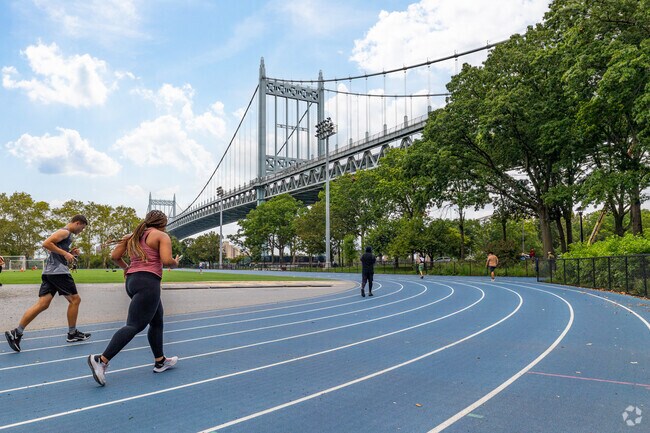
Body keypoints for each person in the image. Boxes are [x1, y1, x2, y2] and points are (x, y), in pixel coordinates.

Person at [88, 210, 180, 386]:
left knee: (157, 320)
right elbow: (167, 261)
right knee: (134, 325)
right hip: (148, 283)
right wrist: (176, 262)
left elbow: (115, 257)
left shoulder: (132, 236)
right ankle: (102, 360)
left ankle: (160, 361)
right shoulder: (161, 236)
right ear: (163, 222)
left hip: (132, 281)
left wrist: (126, 267)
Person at [4, 215, 90, 352]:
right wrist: (65, 254)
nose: (82, 230)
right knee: (75, 300)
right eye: (82, 227)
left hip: (50, 272)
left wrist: (69, 252)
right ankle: (72, 333)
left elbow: (53, 249)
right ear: (77, 223)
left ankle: (17, 332)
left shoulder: (66, 234)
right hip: (58, 273)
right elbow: (46, 243)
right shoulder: (65, 231)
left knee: (43, 304)